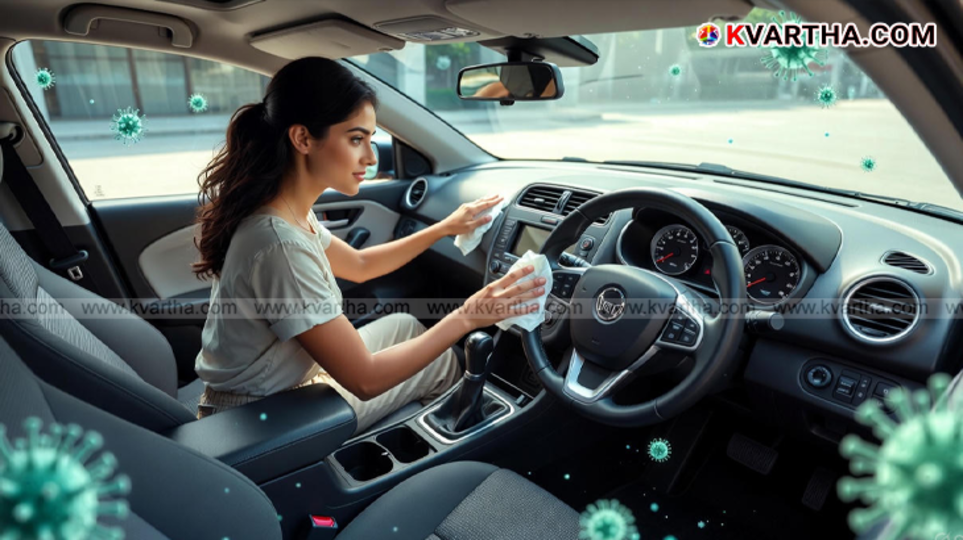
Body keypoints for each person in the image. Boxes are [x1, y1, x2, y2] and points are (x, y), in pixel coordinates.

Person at [191, 57, 545, 434]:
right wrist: (470, 316)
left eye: (370, 140)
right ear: (303, 139)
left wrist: (443, 228)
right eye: (356, 139)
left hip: (267, 389)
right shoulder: (280, 246)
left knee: (406, 326)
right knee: (440, 361)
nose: (372, 158)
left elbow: (359, 265)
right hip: (262, 414)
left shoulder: (284, 213)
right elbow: (366, 379)